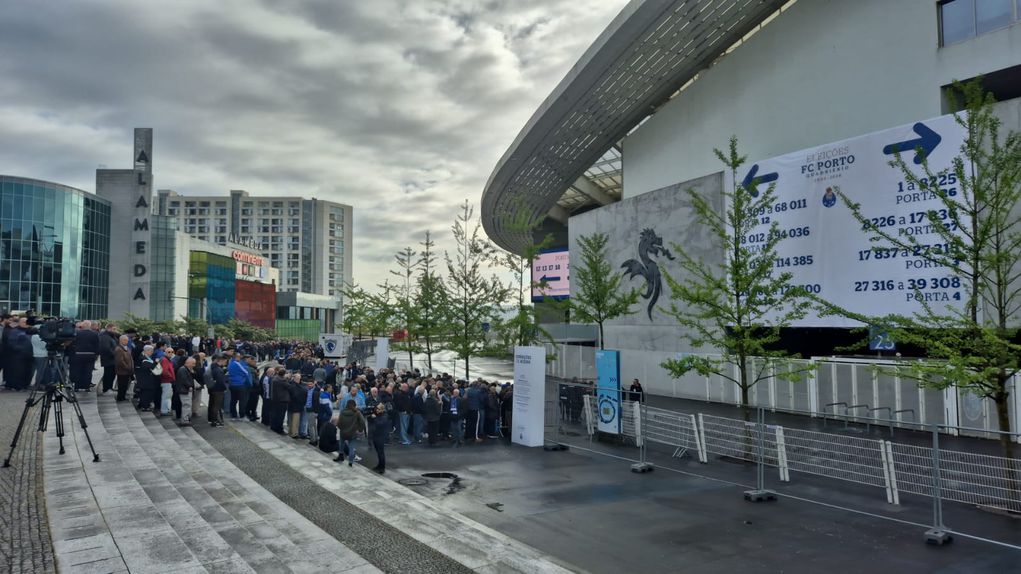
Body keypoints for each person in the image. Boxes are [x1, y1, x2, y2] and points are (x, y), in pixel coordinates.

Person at [70, 320, 100, 391]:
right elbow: (97, 345)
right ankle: (86, 387)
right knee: (88, 371)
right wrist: (97, 354)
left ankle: (77, 387)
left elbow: (73, 344)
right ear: (90, 326)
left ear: (82, 326)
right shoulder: (95, 334)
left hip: (78, 354)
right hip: (90, 355)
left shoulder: (77, 333)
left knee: (78, 371)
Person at [337, 400, 366, 467]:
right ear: (354, 405)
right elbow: (362, 422)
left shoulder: (342, 412)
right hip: (353, 433)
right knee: (351, 448)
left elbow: (339, 422)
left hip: (343, 432)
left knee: (341, 443)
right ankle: (350, 462)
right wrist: (360, 430)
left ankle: (340, 455)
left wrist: (341, 428)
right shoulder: (357, 412)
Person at [227, 354, 252, 421]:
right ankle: (242, 416)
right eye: (239, 357)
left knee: (233, 400)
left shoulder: (230, 364)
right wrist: (249, 384)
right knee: (242, 401)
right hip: (240, 384)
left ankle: (233, 415)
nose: (240, 358)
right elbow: (246, 372)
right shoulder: (237, 363)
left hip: (232, 384)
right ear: (237, 357)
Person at [135, 345, 161, 412]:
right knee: (146, 393)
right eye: (151, 351)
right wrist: (155, 363)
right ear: (147, 351)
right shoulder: (143, 358)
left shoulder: (147, 357)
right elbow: (147, 367)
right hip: (145, 379)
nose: (152, 352)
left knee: (146, 392)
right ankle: (145, 407)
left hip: (147, 379)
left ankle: (143, 405)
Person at [207, 354, 228, 427]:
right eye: (225, 361)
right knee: (217, 406)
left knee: (213, 404)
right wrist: (224, 388)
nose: (225, 363)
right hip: (218, 390)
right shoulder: (218, 370)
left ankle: (212, 420)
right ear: (221, 361)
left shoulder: (213, 367)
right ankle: (215, 421)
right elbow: (220, 381)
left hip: (213, 389)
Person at [175, 356, 197, 425]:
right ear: (188, 363)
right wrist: (189, 386)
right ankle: (184, 420)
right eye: (193, 363)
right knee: (186, 405)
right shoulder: (183, 370)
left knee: (187, 405)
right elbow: (184, 380)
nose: (194, 365)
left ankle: (186, 418)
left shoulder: (185, 369)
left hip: (184, 390)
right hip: (184, 390)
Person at [98, 324, 120, 394]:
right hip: (108, 359)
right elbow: (106, 348)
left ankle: (109, 387)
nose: (115, 331)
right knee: (108, 374)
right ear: (109, 328)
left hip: (112, 359)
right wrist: (115, 354)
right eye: (114, 329)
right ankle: (106, 389)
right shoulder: (105, 336)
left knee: (112, 374)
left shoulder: (111, 336)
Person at [370, 403, 389, 473]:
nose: (377, 410)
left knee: (381, 452)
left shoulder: (384, 416)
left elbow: (379, 424)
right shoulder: (378, 415)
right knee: (378, 452)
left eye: (378, 409)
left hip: (381, 436)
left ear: (382, 410)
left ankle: (382, 467)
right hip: (376, 435)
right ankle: (379, 465)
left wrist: (375, 418)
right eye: (376, 408)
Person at [270, 370, 291, 434]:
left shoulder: (275, 379)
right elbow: (289, 387)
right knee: (281, 415)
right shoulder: (283, 381)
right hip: (282, 400)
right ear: (284, 374)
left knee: (275, 414)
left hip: (275, 399)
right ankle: (279, 429)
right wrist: (288, 379)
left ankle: (273, 426)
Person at [158, 348, 176, 416]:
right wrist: (171, 376)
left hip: (166, 381)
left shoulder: (166, 359)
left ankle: (166, 410)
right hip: (166, 381)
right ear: (165, 353)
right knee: (166, 396)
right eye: (169, 352)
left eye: (172, 352)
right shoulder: (165, 360)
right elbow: (165, 371)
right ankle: (164, 411)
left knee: (167, 396)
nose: (171, 353)